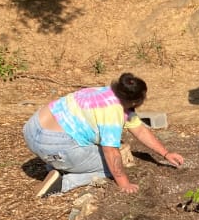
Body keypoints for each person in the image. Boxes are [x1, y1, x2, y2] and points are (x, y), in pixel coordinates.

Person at [25, 73, 186, 197]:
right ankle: (62, 183)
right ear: (136, 101)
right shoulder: (112, 113)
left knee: (101, 154)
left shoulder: (104, 92)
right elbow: (110, 152)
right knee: (112, 167)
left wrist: (165, 153)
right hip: (55, 145)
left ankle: (57, 163)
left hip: (33, 128)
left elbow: (140, 130)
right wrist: (124, 183)